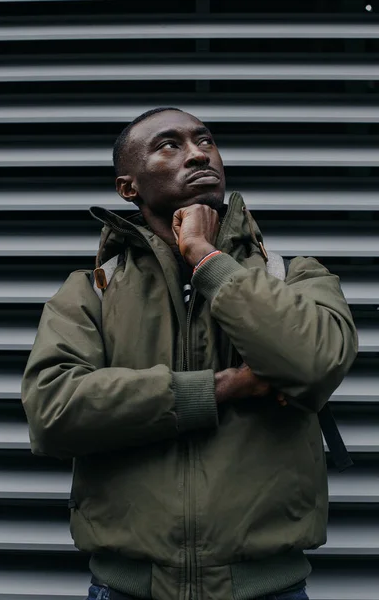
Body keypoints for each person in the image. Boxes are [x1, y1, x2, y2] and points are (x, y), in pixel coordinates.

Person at [21, 107, 358, 600]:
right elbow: (52, 413)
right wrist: (225, 387)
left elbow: (314, 362)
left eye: (205, 141)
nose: (199, 152)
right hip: (127, 590)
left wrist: (207, 258)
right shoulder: (91, 292)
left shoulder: (294, 276)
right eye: (169, 145)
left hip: (268, 589)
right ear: (128, 188)